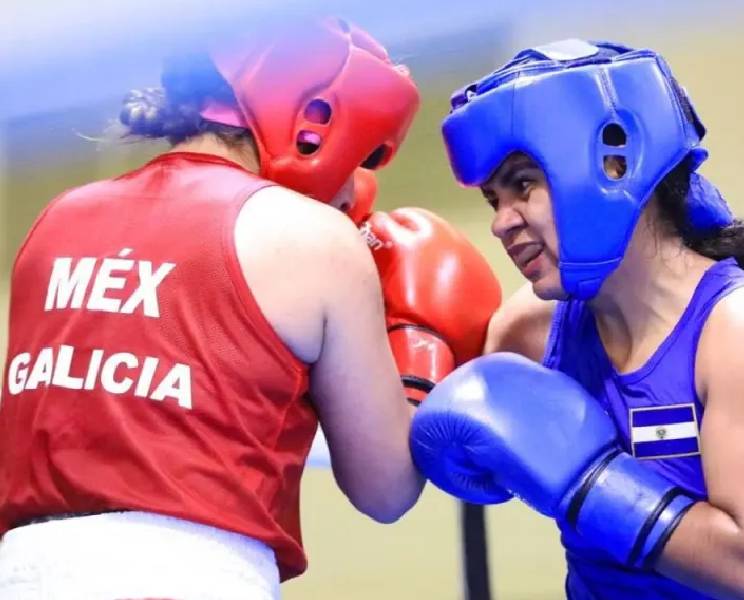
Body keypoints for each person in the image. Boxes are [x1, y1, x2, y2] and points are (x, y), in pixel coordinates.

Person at [0, 16, 501, 600]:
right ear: (313, 120)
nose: (352, 192)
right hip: (194, 578)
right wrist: (416, 366)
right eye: (359, 156)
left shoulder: (56, 220)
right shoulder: (311, 237)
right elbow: (384, 491)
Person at [409, 39, 744, 599]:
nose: (501, 223)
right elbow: (434, 463)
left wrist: (591, 484)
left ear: (614, 164)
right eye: (494, 199)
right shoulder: (528, 330)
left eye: (523, 184)